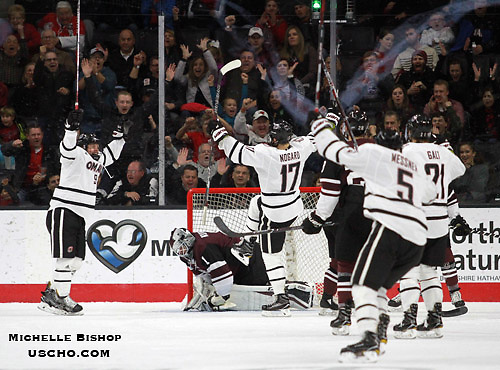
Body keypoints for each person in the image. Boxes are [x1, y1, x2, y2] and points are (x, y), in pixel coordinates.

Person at [310, 117, 438, 362]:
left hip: (390, 226)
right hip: (418, 237)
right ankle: (379, 328)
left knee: (361, 283)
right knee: (377, 285)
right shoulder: (412, 165)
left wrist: (321, 128)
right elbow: (431, 194)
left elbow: (334, 151)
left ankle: (369, 338)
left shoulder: (373, 153)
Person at [211, 119, 316, 316]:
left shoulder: (265, 153)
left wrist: (220, 136)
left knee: (271, 254)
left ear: (274, 137)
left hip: (275, 211)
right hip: (294, 205)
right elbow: (316, 137)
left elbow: (236, 152)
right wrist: (331, 121)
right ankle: (248, 243)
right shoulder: (300, 147)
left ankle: (281, 299)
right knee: (255, 202)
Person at [38, 109, 125, 315]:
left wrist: (120, 136)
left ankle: (54, 292)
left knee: (76, 261)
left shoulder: (99, 160)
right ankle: (59, 299)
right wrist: (71, 128)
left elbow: (113, 152)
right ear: (84, 146)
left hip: (80, 215)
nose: (96, 148)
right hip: (64, 210)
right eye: (92, 145)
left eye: (97, 145)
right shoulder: (75, 155)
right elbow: (67, 146)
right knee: (65, 260)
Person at [392, 120, 466, 339]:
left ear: (410, 132)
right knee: (429, 271)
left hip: (415, 217)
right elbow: (460, 169)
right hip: (439, 221)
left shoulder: (407, 150)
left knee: (408, 272)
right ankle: (434, 321)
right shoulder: (443, 152)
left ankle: (409, 321)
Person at [302, 110, 374, 328]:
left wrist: (317, 219)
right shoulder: (383, 149)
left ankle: (344, 313)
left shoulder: (338, 152)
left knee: (344, 263)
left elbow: (331, 192)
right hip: (381, 208)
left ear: (345, 128)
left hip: (352, 209)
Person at [170, 228, 264, 310]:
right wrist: (207, 288)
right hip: (240, 268)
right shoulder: (185, 256)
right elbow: (202, 274)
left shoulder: (203, 247)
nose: (182, 252)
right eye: (178, 250)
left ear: (187, 240)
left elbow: (223, 274)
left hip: (253, 262)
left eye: (182, 247)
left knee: (265, 283)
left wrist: (222, 296)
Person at [0, 123, 57, 203]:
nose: (36, 137)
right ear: (27, 136)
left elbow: (55, 169)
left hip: (42, 187)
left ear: (42, 135)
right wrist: (12, 144)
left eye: (38, 134)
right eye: (33, 135)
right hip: (22, 187)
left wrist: (45, 177)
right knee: (14, 201)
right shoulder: (22, 149)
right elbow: (4, 151)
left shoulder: (50, 151)